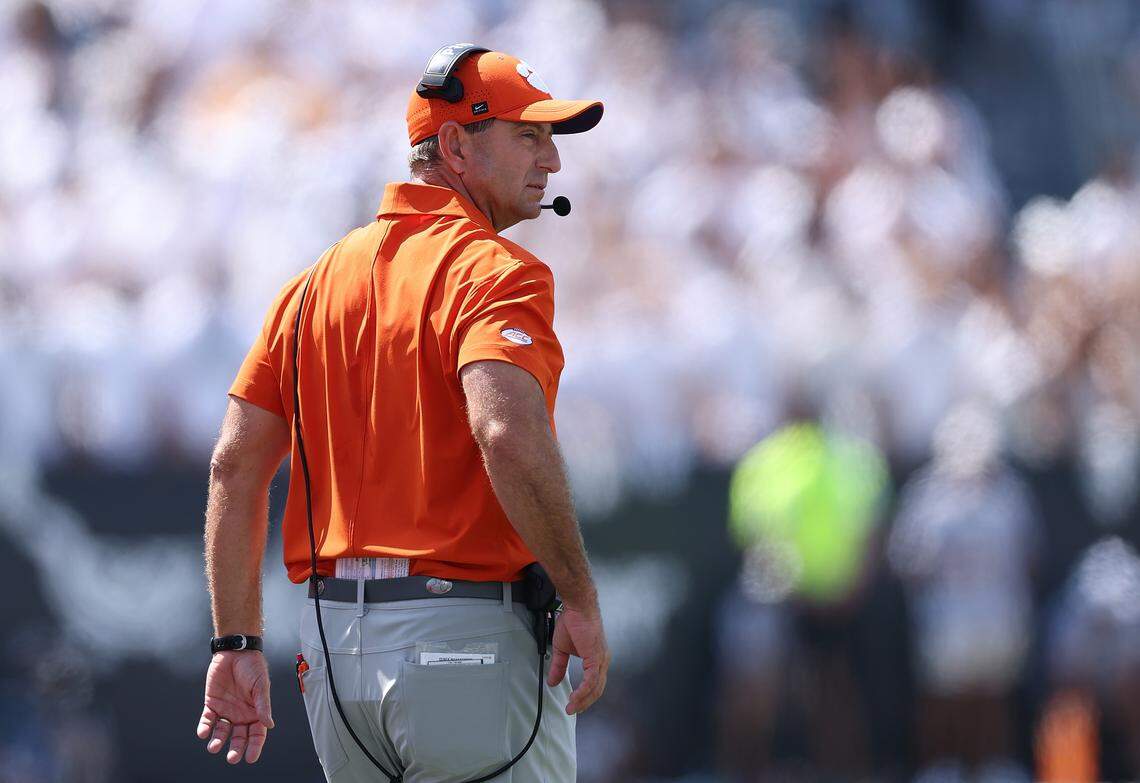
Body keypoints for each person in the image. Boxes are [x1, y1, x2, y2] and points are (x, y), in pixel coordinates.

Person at [194, 45, 610, 781]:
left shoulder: (315, 282)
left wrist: (235, 642)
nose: (551, 162)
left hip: (333, 657)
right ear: (454, 145)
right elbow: (505, 429)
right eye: (527, 136)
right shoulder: (495, 270)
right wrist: (578, 593)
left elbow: (234, 462)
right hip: (465, 643)